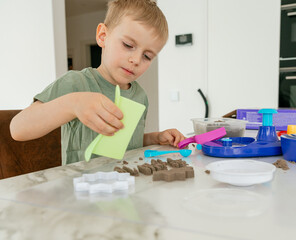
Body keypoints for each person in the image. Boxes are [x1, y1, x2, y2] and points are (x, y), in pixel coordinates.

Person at [10, 0, 185, 165]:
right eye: (128, 45)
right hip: (79, 190)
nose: (136, 60)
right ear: (102, 36)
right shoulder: (75, 83)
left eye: (147, 56)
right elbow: (18, 129)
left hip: (126, 186)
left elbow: (130, 143)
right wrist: (73, 103)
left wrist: (154, 138)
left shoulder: (140, 96)